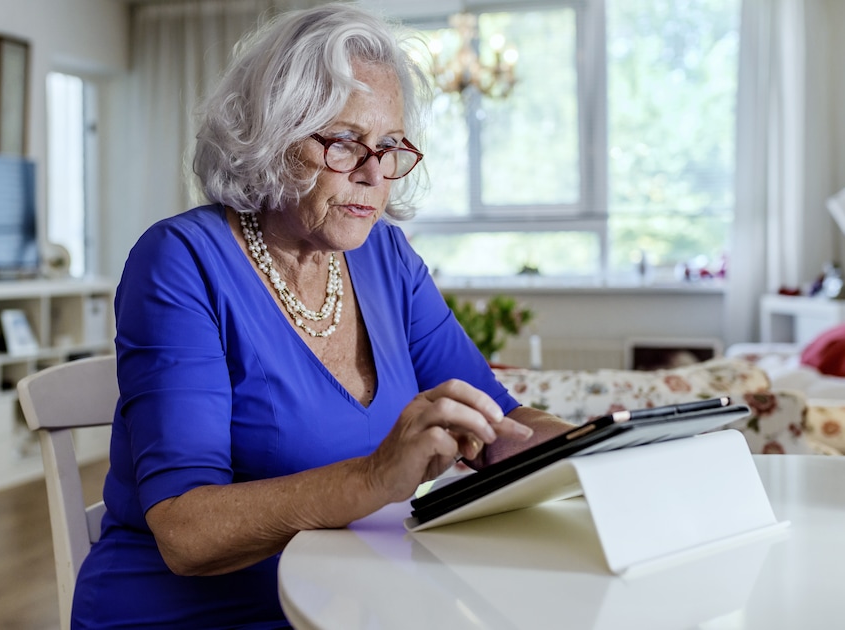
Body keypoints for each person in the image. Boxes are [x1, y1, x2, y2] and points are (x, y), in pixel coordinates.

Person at [72, 4, 573, 628]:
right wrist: (376, 476)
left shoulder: (387, 256)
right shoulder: (181, 260)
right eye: (343, 143)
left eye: (388, 147)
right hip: (196, 615)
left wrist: (599, 445)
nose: (373, 173)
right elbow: (186, 534)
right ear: (270, 137)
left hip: (352, 601)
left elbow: (496, 424)